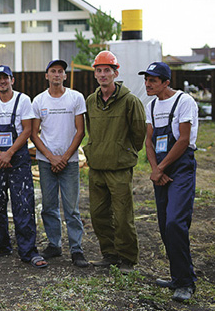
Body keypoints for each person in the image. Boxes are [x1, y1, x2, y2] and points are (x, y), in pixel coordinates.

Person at [140, 61, 198, 302]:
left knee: (175, 222)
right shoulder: (151, 106)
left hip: (181, 167)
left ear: (166, 82)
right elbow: (149, 141)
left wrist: (161, 168)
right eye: (146, 80)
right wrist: (155, 169)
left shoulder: (184, 101)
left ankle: (186, 283)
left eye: (153, 80)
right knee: (165, 224)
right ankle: (177, 276)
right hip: (160, 168)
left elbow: (183, 140)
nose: (147, 84)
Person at [84, 50, 146, 273]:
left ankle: (127, 258)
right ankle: (109, 254)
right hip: (97, 167)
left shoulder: (130, 101)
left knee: (122, 216)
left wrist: (123, 151)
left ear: (115, 73)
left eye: (107, 70)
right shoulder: (91, 101)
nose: (103, 74)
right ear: (95, 74)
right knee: (98, 214)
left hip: (119, 167)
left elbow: (139, 133)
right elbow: (91, 130)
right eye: (99, 70)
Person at [0, 65, 46, 268]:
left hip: (18, 158)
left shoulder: (23, 100)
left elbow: (27, 130)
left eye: (6, 78)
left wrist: (9, 153)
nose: (2, 81)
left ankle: (28, 250)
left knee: (23, 203)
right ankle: (3, 245)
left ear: (12, 80)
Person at [31, 60, 89, 268]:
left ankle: (76, 249)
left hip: (69, 162)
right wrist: (51, 157)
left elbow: (80, 131)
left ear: (65, 76)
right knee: (49, 206)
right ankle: (54, 244)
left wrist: (64, 158)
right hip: (46, 162)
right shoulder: (39, 100)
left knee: (71, 208)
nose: (57, 74)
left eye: (60, 71)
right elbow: (34, 133)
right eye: (53, 71)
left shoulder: (76, 98)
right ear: (46, 75)